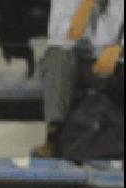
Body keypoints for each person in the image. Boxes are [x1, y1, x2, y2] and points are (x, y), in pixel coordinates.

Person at [31, 0, 124, 158]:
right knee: (56, 57)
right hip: (75, 62)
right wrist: (86, 6)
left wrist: (120, 49)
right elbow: (58, 37)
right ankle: (53, 138)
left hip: (114, 62)